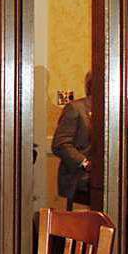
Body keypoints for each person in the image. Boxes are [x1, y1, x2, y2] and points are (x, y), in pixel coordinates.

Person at [52, 72, 93, 211]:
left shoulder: (113, 110)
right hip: (80, 178)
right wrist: (85, 163)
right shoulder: (76, 108)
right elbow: (60, 144)